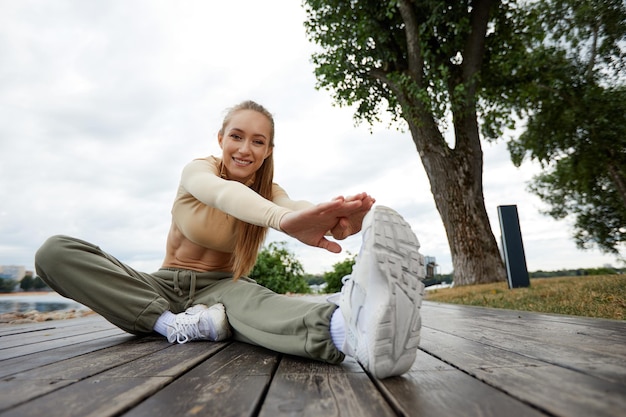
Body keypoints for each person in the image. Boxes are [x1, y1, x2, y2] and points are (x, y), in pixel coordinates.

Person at [35, 100, 425, 379]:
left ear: (268, 149)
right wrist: (285, 220)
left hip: (220, 291)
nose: (245, 148)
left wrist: (334, 216)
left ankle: (351, 328)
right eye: (236, 136)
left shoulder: (271, 191)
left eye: (258, 141)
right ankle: (172, 325)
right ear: (221, 138)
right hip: (159, 286)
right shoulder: (198, 170)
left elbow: (293, 204)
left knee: (258, 305)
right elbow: (224, 195)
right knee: (54, 251)